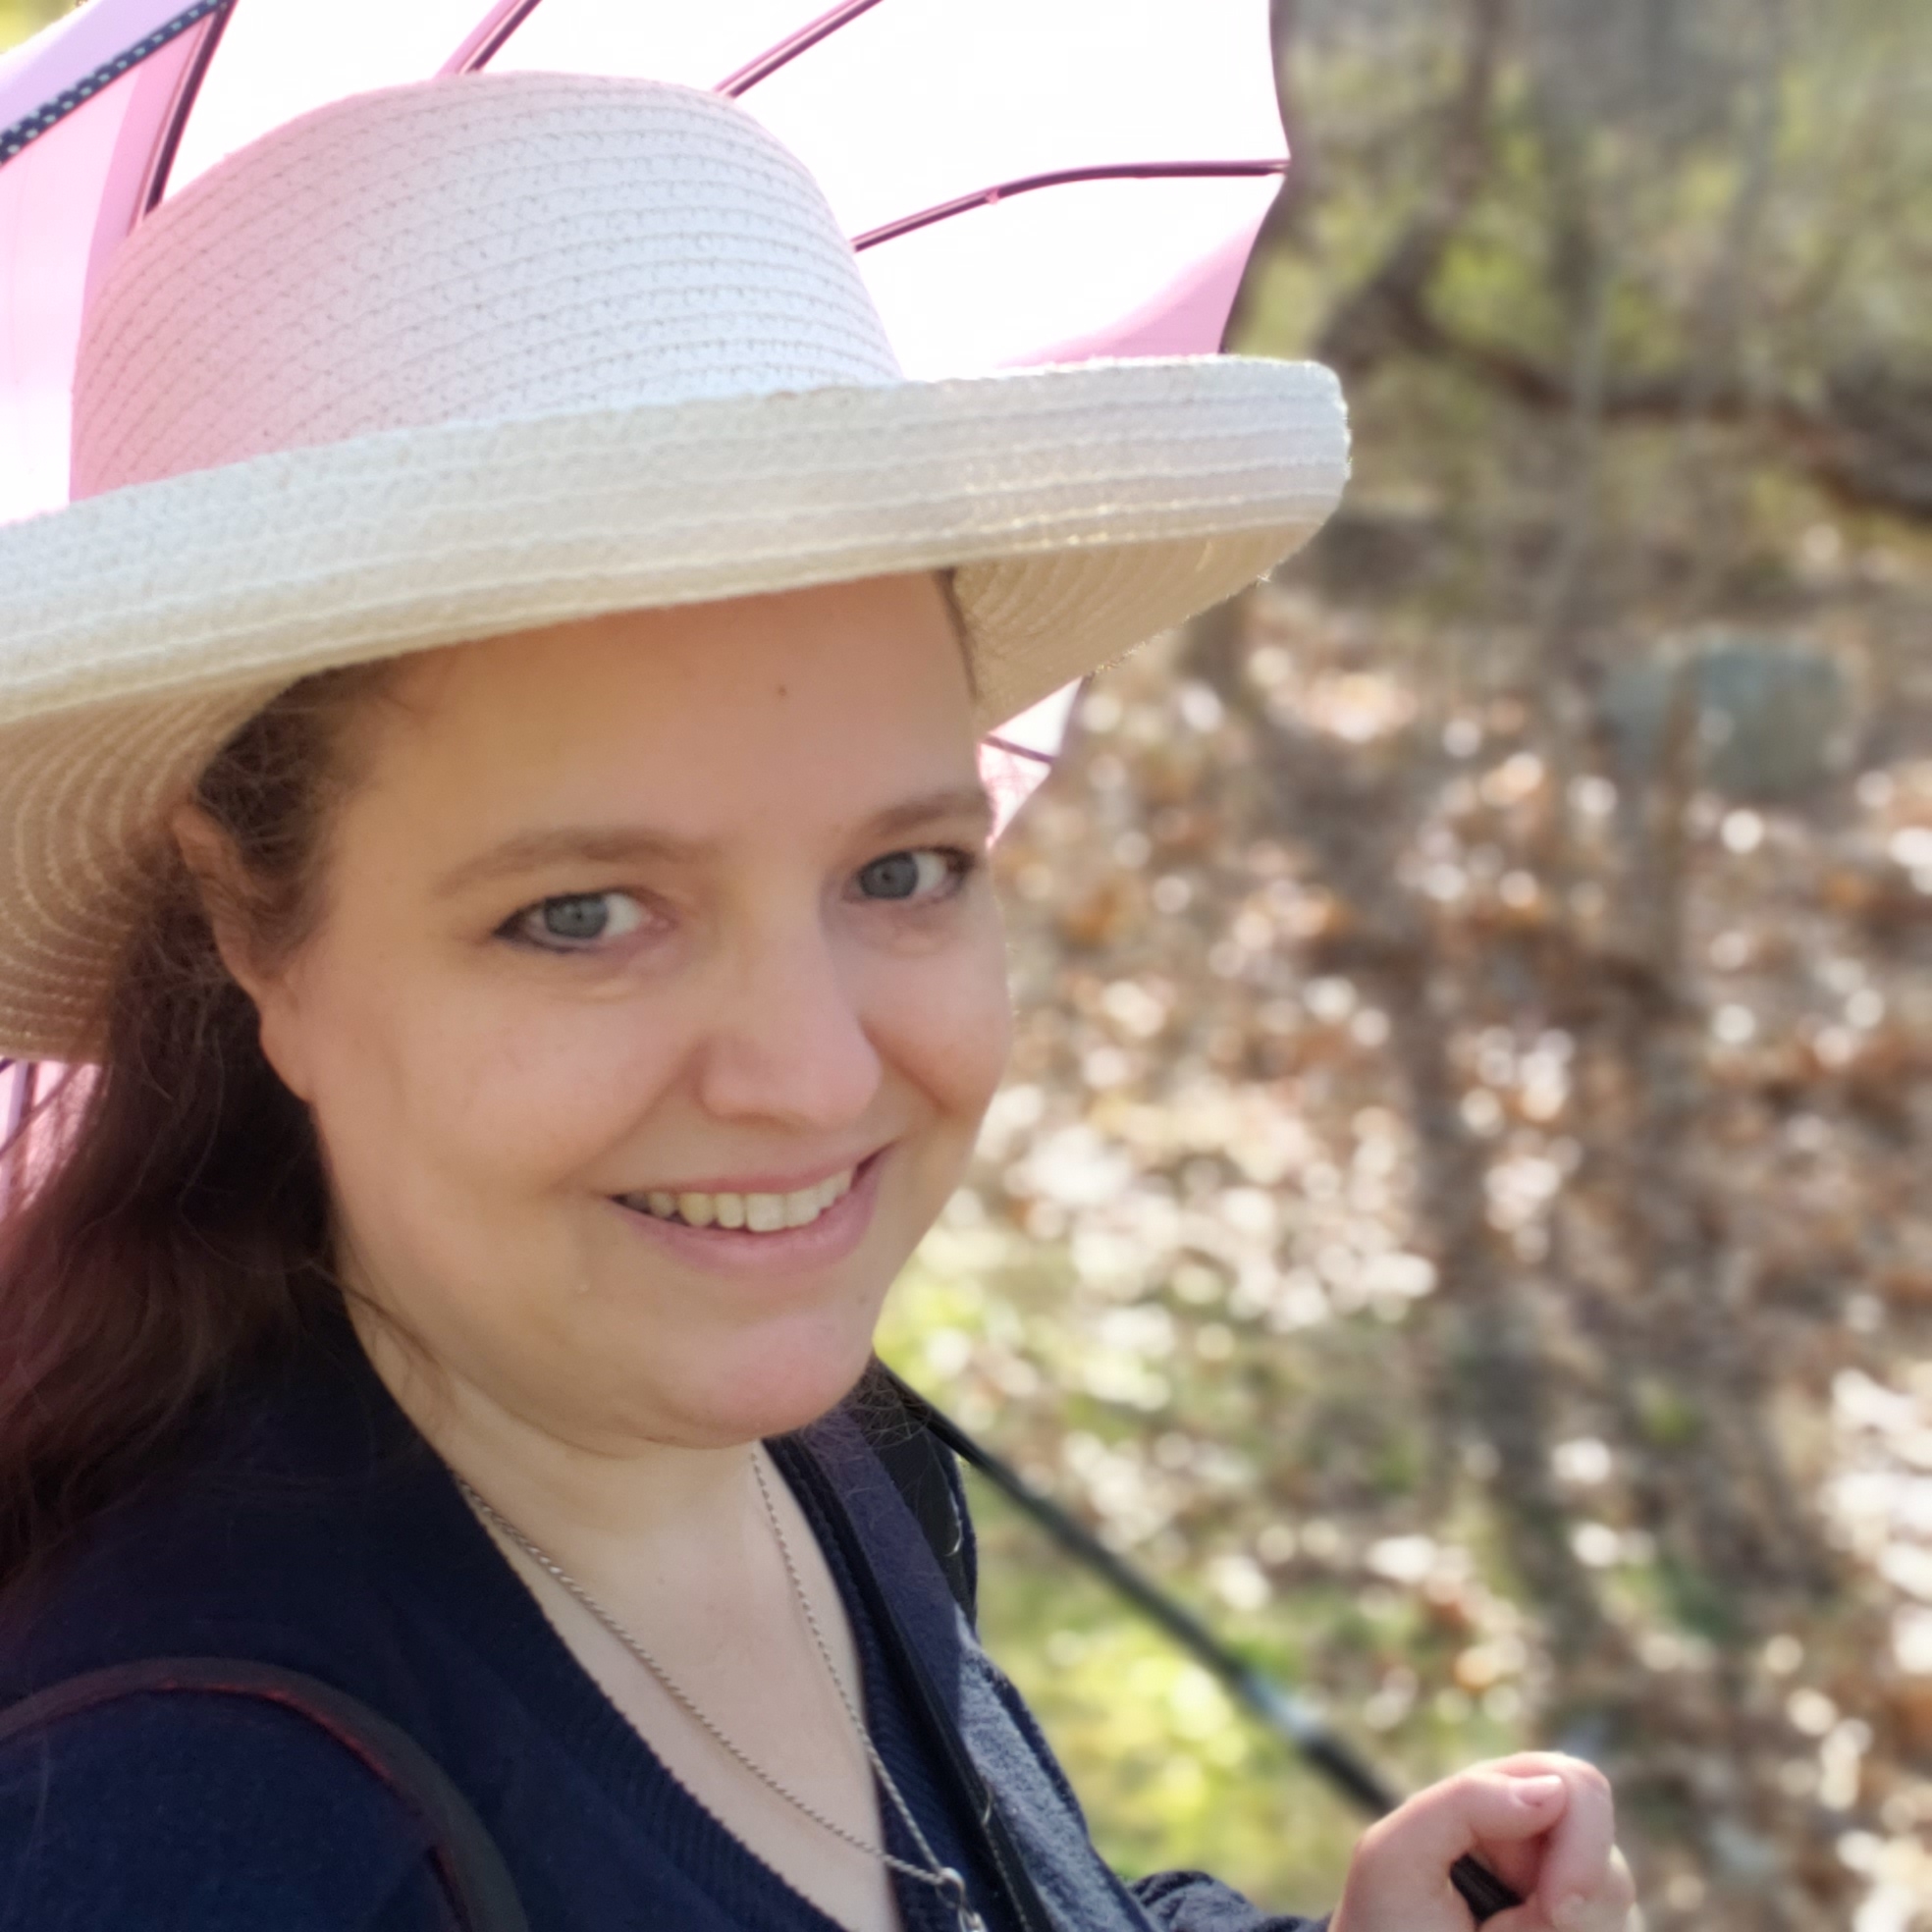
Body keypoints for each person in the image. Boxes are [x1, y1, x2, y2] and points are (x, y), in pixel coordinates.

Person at [0, 70, 1636, 1932]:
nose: (811, 1073)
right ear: (253, 928)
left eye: (901, 871)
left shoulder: (774, 1441)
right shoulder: (197, 1841)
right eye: (584, 911)